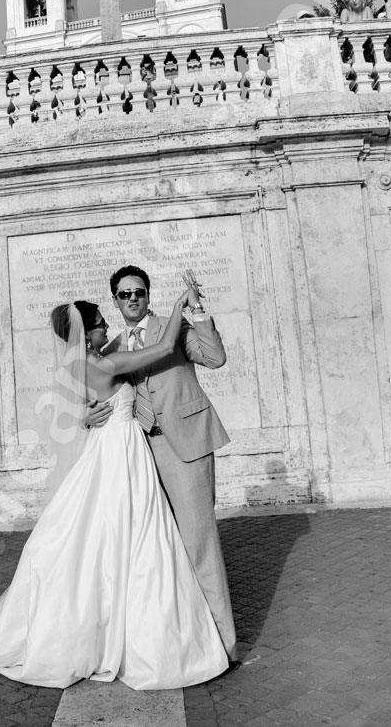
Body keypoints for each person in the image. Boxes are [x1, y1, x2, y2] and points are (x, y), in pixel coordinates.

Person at [0, 283, 229, 690]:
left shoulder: (80, 364)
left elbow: (78, 410)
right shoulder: (106, 362)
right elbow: (159, 351)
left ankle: (110, 620)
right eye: (102, 323)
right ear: (88, 334)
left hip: (116, 447)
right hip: (124, 452)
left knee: (107, 536)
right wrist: (177, 305)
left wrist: (86, 417)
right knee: (136, 535)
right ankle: (142, 631)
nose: (107, 327)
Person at [100, 266, 238, 664]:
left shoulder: (171, 327)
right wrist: (86, 416)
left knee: (199, 545)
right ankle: (181, 641)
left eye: (139, 292)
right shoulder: (111, 349)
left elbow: (215, 357)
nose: (132, 300)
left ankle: (223, 645)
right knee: (159, 551)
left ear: (148, 294)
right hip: (139, 454)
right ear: (114, 300)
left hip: (186, 448)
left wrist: (196, 311)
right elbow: (98, 394)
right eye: (124, 295)